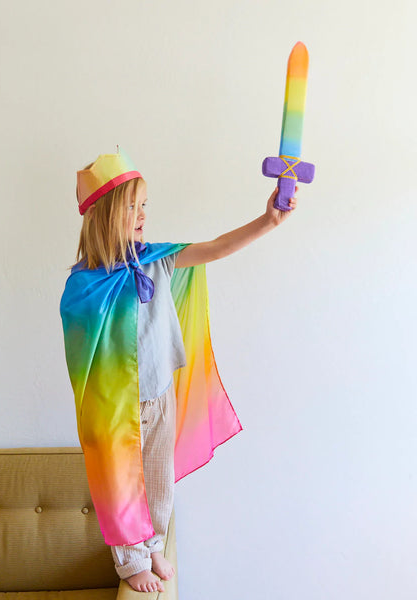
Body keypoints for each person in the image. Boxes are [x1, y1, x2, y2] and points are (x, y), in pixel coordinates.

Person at [60, 148, 298, 593]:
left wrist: (267, 221)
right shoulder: (83, 286)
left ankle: (153, 543)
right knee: (120, 483)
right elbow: (84, 359)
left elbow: (215, 248)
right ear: (103, 215)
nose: (142, 214)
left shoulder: (158, 259)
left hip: (159, 393)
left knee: (158, 479)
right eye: (131, 206)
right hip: (116, 408)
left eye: (144, 204)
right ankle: (131, 561)